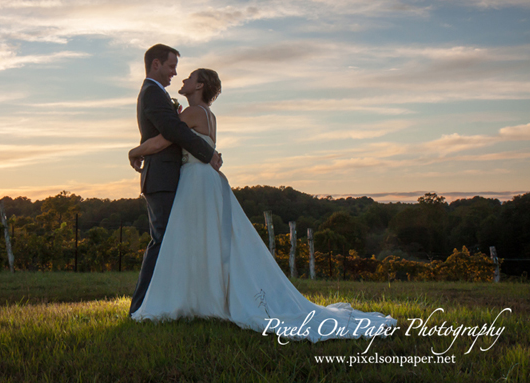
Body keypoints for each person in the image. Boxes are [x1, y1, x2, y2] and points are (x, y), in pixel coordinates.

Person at [128, 68, 397, 342]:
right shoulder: (210, 115)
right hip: (208, 181)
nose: (182, 80)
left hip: (195, 182)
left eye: (189, 78)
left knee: (194, 241)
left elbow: (163, 140)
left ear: (199, 86)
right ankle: (205, 297)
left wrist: (134, 151)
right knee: (209, 241)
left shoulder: (192, 113)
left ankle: (196, 298)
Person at [128, 44, 223, 317]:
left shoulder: (162, 97)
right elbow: (170, 131)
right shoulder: (153, 93)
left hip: (178, 178)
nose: (175, 74)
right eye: (171, 67)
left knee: (170, 241)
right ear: (155, 64)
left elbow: (168, 133)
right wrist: (209, 154)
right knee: (163, 241)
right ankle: (142, 306)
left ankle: (165, 303)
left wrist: (136, 151)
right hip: (163, 178)